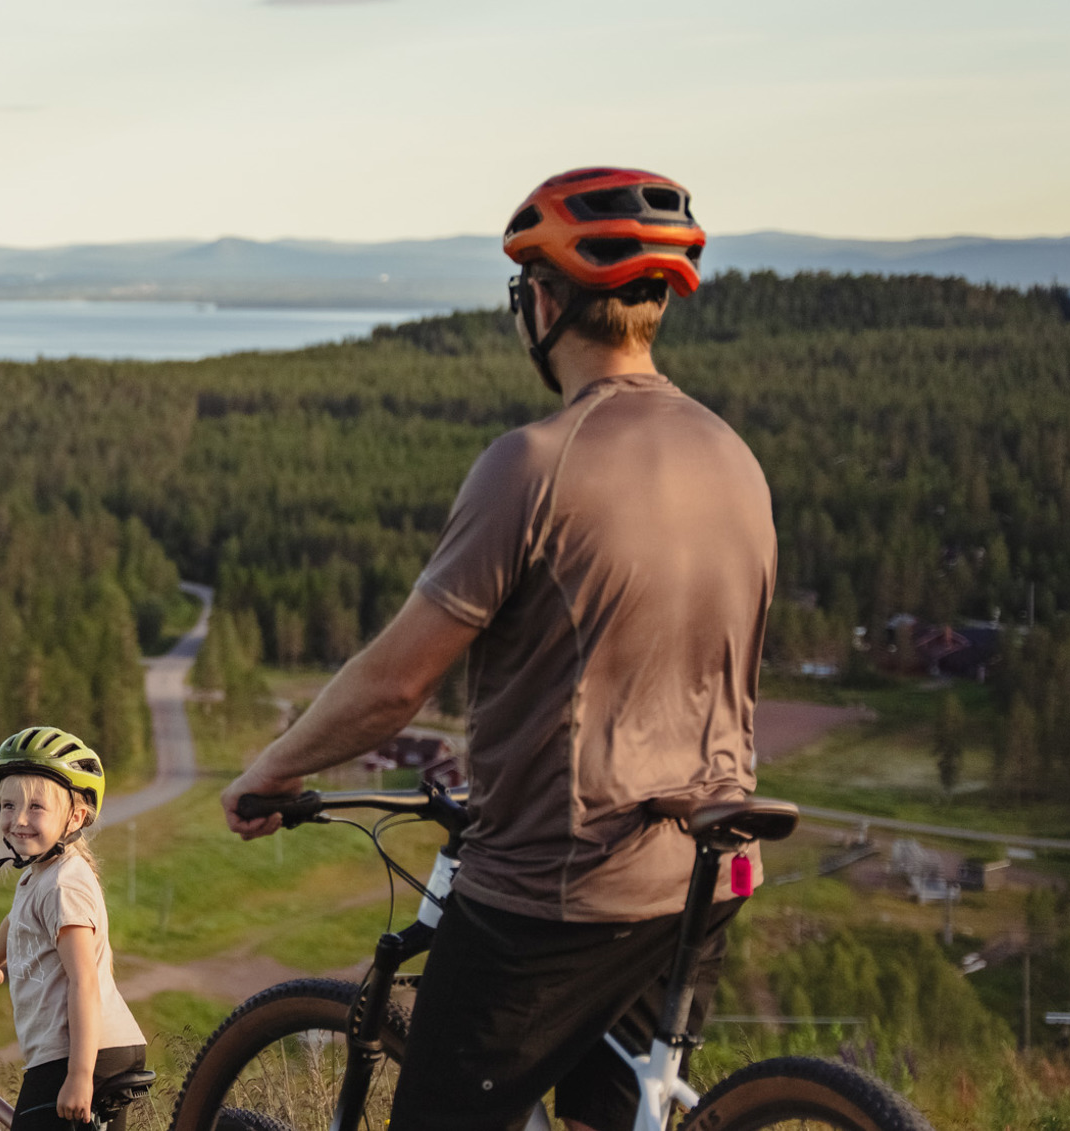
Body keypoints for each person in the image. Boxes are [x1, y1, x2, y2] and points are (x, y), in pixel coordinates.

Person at [218, 168, 775, 1131]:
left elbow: (395, 683)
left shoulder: (533, 463)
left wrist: (270, 769)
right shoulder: (734, 456)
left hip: (555, 892)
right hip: (702, 870)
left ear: (545, 301)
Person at [0, 727, 147, 1131]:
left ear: (75, 817)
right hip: (86, 1050)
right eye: (7, 806)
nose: (18, 820)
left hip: (81, 1055)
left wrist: (79, 1076)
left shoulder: (64, 884)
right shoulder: (40, 876)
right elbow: (18, 923)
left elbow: (84, 983)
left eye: (36, 808)